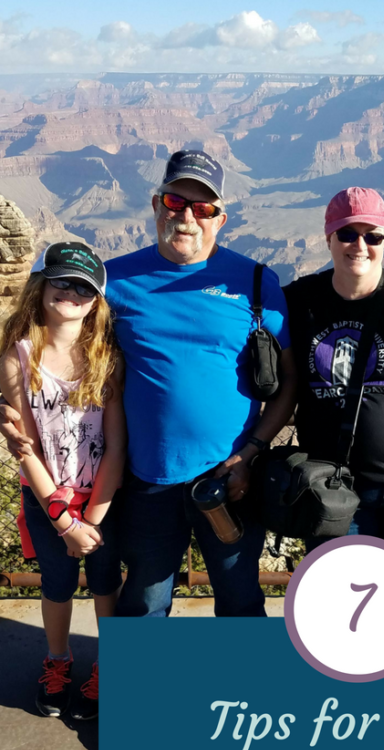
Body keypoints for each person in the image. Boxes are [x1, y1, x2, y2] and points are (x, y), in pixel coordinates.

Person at [2, 150, 297, 617]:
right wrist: (14, 399)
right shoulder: (113, 281)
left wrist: (252, 453)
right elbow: (53, 337)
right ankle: (141, 691)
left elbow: (288, 384)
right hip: (144, 481)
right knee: (143, 601)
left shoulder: (257, 283)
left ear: (221, 219)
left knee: (240, 598)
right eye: (176, 202)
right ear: (157, 203)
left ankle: (246, 690)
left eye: (202, 209)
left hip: (229, 477)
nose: (187, 217)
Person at [283, 187, 384, 577]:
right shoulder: (297, 301)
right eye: (347, 234)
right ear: (328, 238)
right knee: (342, 602)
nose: (360, 245)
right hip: (332, 491)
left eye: (373, 236)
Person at [0, 242, 125, 717]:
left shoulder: (107, 361)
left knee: (104, 583)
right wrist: (62, 519)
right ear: (42, 285)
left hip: (102, 500)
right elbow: (25, 446)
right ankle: (58, 659)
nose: (70, 293)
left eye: (84, 287)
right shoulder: (19, 359)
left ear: (97, 301)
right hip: (46, 500)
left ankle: (107, 663)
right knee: (55, 585)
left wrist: (90, 518)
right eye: (62, 281)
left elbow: (116, 447)